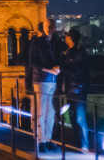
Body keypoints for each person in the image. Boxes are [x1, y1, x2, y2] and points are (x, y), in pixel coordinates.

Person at [29, 18, 61, 153]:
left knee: (50, 112)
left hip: (52, 81)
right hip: (41, 80)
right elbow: (32, 62)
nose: (49, 28)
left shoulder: (55, 42)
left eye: (52, 26)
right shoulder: (37, 42)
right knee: (41, 111)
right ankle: (40, 141)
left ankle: (46, 139)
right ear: (43, 27)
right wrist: (49, 69)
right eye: (47, 26)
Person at [62, 28, 89, 153]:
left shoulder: (80, 53)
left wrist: (63, 68)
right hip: (70, 89)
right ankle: (78, 144)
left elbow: (76, 70)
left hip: (78, 90)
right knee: (73, 118)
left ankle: (83, 145)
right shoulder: (69, 52)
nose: (66, 39)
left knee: (80, 118)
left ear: (71, 38)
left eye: (67, 37)